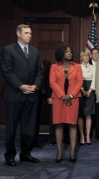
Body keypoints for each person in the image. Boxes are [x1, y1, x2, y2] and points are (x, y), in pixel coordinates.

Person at [0, 24, 43, 166]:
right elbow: (6, 72)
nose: (29, 35)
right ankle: (10, 156)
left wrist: (35, 86)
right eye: (26, 33)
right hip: (14, 95)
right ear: (18, 34)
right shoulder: (8, 50)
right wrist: (21, 86)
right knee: (11, 128)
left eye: (30, 33)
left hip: (31, 95)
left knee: (29, 128)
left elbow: (39, 71)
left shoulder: (35, 51)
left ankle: (26, 153)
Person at [50, 44, 83, 163]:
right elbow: (52, 82)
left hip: (73, 99)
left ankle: (72, 151)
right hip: (59, 100)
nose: (70, 53)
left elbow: (79, 83)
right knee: (58, 125)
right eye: (67, 52)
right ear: (61, 54)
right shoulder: (54, 67)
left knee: (72, 125)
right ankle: (59, 151)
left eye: (70, 52)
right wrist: (62, 96)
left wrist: (70, 96)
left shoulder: (77, 66)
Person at [78, 50, 96, 145]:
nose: (86, 58)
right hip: (80, 89)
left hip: (90, 90)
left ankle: (88, 136)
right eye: (84, 56)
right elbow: (77, 79)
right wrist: (82, 90)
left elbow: (95, 79)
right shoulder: (78, 67)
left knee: (89, 115)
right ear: (81, 58)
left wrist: (89, 90)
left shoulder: (93, 67)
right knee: (81, 114)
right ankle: (81, 135)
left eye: (87, 56)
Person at [89, 48, 99, 140]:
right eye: (93, 54)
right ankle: (88, 135)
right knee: (89, 114)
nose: (95, 55)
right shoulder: (87, 65)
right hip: (89, 92)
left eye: (97, 53)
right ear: (91, 55)